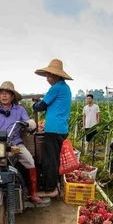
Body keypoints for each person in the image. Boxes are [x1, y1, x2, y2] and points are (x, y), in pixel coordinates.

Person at [32, 59, 72, 198]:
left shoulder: (56, 88)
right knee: (54, 158)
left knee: (50, 160)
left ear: (57, 76)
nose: (48, 79)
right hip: (61, 128)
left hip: (53, 129)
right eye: (47, 76)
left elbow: (41, 106)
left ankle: (51, 189)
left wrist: (35, 105)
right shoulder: (65, 88)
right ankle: (53, 185)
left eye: (50, 76)